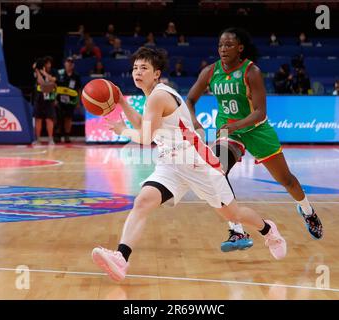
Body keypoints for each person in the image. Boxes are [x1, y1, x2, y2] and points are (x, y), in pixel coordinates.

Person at [91, 47, 287, 282]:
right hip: (171, 164)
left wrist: (122, 130)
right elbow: (147, 127)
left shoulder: (159, 96)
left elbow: (144, 137)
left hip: (197, 163)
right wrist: (122, 102)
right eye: (135, 68)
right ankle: (122, 258)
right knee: (142, 202)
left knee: (233, 214)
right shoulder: (151, 97)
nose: (137, 72)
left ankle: (268, 230)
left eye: (144, 68)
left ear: (157, 74)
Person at [186, 28, 323, 252]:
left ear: (240, 48)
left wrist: (236, 125)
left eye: (229, 45)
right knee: (216, 173)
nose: (223, 49)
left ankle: (307, 210)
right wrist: (196, 124)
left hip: (257, 130)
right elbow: (190, 100)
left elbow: (260, 112)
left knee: (287, 180)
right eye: (221, 45)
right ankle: (237, 229)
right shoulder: (210, 72)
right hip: (230, 132)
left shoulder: (252, 72)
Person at [33, 56, 58, 145]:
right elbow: (41, 83)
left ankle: (50, 139)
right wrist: (37, 71)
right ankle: (38, 139)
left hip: (50, 98)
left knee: (49, 119)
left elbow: (53, 80)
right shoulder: (37, 72)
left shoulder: (54, 72)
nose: (47, 65)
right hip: (39, 98)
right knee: (38, 119)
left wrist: (44, 73)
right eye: (45, 63)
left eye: (48, 63)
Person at [56, 57, 81, 143]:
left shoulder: (76, 76)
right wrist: (54, 99)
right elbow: (55, 86)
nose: (69, 64)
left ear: (73, 65)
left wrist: (78, 101)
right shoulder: (60, 74)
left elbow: (78, 89)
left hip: (71, 100)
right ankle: (58, 135)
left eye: (71, 63)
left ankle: (67, 135)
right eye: (67, 62)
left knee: (68, 118)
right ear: (65, 64)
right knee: (59, 118)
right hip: (60, 99)